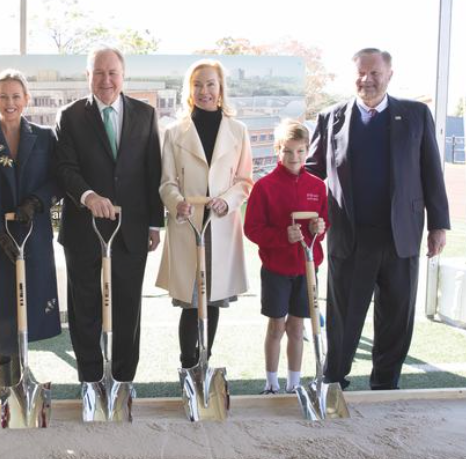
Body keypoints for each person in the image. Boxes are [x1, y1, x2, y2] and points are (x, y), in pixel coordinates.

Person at [306, 48, 450, 390]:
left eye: (375, 73)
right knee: (344, 318)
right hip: (351, 236)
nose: (367, 80)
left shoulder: (415, 115)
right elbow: (311, 173)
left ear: (389, 74)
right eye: (361, 73)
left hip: (400, 235)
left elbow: (431, 170)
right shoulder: (331, 117)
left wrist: (438, 224)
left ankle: (385, 385)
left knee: (396, 317)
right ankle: (334, 382)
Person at [55, 47, 163, 384]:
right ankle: (90, 380)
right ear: (88, 76)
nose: (106, 80)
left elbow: (152, 171)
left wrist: (154, 223)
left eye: (112, 72)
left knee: (128, 307)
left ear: (123, 75)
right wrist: (88, 197)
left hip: (131, 230)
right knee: (85, 309)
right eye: (98, 73)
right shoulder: (69, 116)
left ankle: (122, 381)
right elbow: (65, 169)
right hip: (84, 230)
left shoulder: (145, 114)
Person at [0, 69, 61, 398]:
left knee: (28, 306)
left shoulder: (46, 138)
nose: (10, 102)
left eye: (16, 96)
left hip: (33, 235)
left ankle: (22, 384)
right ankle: (3, 391)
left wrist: (36, 202)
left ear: (26, 100)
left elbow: (56, 180)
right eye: (3, 96)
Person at [156, 59, 252, 374]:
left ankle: (204, 364)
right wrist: (177, 202)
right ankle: (187, 367)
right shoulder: (174, 132)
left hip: (220, 225)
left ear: (221, 89)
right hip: (188, 223)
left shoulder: (238, 130)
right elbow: (166, 182)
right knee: (190, 300)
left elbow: (244, 181)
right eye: (198, 85)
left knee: (212, 301)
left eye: (211, 84)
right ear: (189, 90)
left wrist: (227, 201)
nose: (205, 91)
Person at [244, 120, 327, 394]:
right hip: (276, 269)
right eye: (288, 151)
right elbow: (252, 229)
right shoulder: (264, 187)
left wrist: (318, 229)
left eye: (301, 151)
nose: (295, 158)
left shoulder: (317, 186)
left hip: (307, 269)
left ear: (308, 150)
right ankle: (271, 383)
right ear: (277, 150)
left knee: (297, 326)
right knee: (276, 326)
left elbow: (323, 224)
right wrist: (282, 237)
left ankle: (294, 384)